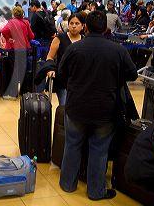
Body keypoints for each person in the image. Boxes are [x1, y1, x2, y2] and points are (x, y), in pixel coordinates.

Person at [58, 10, 138, 200]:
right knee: (99, 150)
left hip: (76, 107)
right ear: (106, 28)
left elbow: (61, 74)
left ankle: (67, 184)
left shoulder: (74, 49)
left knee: (72, 146)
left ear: (85, 26)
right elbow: (133, 75)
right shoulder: (118, 50)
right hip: (105, 110)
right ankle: (96, 191)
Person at [45, 13, 85, 106]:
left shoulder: (85, 40)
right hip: (62, 79)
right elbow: (50, 57)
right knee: (64, 106)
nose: (74, 26)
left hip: (79, 80)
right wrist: (50, 69)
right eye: (71, 23)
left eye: (77, 23)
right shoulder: (59, 38)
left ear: (82, 26)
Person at [0, 6, 35, 99]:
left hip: (13, 50)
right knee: (23, 71)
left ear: (14, 14)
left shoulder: (11, 22)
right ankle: (24, 93)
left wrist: (9, 39)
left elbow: (3, 31)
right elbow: (32, 36)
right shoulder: (26, 22)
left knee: (13, 71)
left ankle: (13, 94)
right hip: (24, 49)